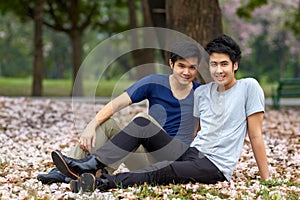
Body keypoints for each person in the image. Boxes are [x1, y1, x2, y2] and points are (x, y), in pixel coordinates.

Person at [51, 34, 269, 193]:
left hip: (215, 166)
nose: (219, 70)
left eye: (224, 64)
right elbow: (199, 129)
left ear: (236, 65)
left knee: (164, 170)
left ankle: (103, 182)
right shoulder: (203, 92)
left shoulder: (248, 87)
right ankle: (89, 165)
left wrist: (266, 179)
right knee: (142, 123)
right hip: (192, 152)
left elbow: (255, 135)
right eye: (214, 64)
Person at [37, 41, 203, 184]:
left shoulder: (202, 94)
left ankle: (92, 168)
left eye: (192, 68)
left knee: (142, 120)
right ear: (171, 64)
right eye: (181, 66)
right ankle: (67, 170)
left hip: (174, 160)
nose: (186, 72)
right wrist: (90, 126)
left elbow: (207, 129)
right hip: (145, 158)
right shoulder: (154, 82)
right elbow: (115, 105)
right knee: (106, 123)